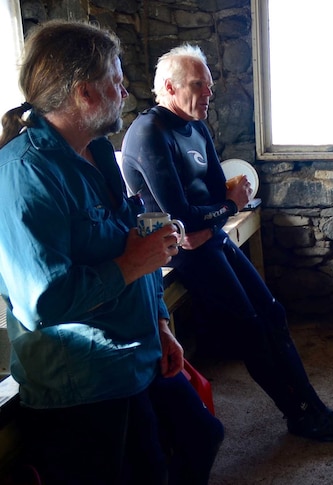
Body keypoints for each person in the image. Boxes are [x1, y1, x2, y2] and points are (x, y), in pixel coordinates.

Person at [0, 21, 223, 484]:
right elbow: (43, 301)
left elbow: (130, 239)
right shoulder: (25, 174)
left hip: (135, 350)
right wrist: (132, 264)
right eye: (117, 83)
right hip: (84, 381)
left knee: (202, 436)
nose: (125, 92)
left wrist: (161, 321)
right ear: (84, 93)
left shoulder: (98, 152)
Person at [121, 44, 333, 442]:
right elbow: (185, 217)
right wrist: (221, 208)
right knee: (251, 329)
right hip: (183, 253)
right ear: (168, 87)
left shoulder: (196, 127)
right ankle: (300, 416)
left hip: (210, 239)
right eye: (198, 85)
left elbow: (220, 192)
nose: (209, 93)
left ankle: (314, 408)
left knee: (273, 314)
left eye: (211, 85)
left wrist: (218, 209)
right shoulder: (149, 132)